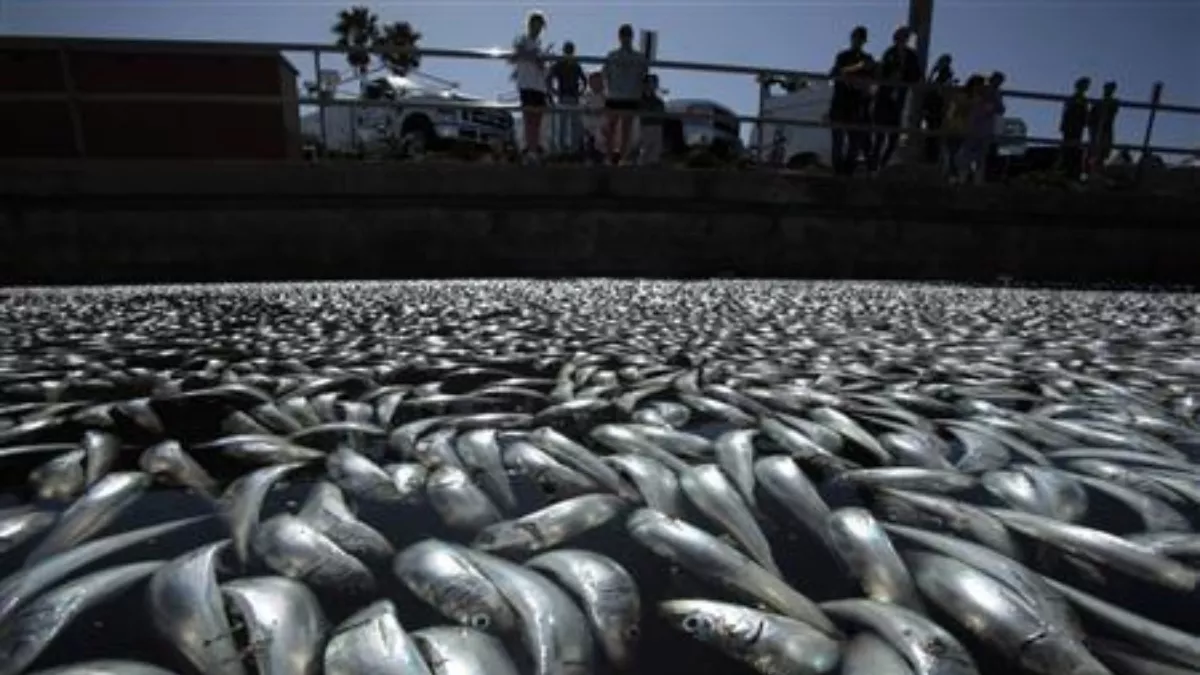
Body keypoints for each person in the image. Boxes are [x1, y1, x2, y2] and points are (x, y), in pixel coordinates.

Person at [870, 26, 921, 171]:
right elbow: (882, 72)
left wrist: (905, 78)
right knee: (879, 137)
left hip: (899, 100)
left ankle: (882, 164)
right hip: (884, 98)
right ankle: (874, 167)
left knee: (893, 138)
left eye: (905, 37)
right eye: (901, 37)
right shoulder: (889, 53)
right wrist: (889, 76)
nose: (902, 40)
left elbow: (916, 75)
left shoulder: (911, 55)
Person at [827, 26, 876, 176]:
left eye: (860, 39)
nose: (858, 41)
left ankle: (847, 174)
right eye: (856, 38)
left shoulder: (868, 59)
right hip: (840, 104)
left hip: (856, 107)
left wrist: (860, 83)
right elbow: (835, 73)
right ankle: (838, 174)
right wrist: (857, 69)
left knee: (854, 145)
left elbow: (870, 82)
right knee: (838, 142)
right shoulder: (843, 56)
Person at [602, 23, 649, 165]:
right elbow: (606, 74)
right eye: (623, 35)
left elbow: (643, 74)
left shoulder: (639, 57)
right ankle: (610, 156)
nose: (625, 38)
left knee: (626, 129)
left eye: (628, 35)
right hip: (614, 95)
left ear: (631, 37)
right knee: (611, 126)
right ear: (619, 37)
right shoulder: (612, 55)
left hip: (631, 96)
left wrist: (639, 92)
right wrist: (609, 90)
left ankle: (622, 157)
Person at [511, 10, 550, 162]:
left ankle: (534, 148)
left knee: (537, 119)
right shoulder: (521, 39)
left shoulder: (541, 45)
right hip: (526, 84)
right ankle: (530, 149)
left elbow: (541, 64)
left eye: (540, 26)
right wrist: (533, 56)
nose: (538, 28)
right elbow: (518, 54)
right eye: (535, 25)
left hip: (539, 85)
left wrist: (535, 57)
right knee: (528, 118)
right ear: (529, 25)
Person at [546, 40, 587, 158]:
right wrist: (553, 91)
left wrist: (581, 91)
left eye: (571, 50)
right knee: (562, 124)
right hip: (563, 97)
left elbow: (584, 80)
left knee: (574, 124)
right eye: (567, 50)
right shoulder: (559, 64)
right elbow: (549, 78)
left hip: (574, 97)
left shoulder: (575, 65)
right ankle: (562, 149)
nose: (569, 52)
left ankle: (574, 149)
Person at [955, 74, 996, 185]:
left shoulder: (985, 99)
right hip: (970, 131)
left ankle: (974, 181)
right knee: (965, 157)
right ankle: (964, 179)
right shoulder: (969, 97)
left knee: (977, 159)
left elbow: (992, 110)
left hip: (980, 132)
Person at [922, 54, 955, 163]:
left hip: (938, 107)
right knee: (931, 131)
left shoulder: (946, 74)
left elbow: (942, 90)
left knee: (934, 132)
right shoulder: (938, 74)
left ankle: (932, 157)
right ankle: (929, 156)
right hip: (932, 105)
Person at [1059, 77, 1091, 180]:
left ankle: (1070, 172)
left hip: (1077, 128)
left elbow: (1085, 116)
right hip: (1071, 127)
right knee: (1068, 148)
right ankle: (1066, 171)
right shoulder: (1073, 99)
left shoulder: (1083, 100)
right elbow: (1066, 113)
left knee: (1073, 148)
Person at [1087, 81, 1119, 174]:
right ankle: (1093, 172)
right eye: (1107, 89)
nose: (1108, 91)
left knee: (1103, 152)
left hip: (1106, 129)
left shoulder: (1114, 102)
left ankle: (1098, 172)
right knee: (1095, 152)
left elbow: (1113, 111)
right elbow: (1090, 119)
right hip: (1096, 130)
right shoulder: (1097, 103)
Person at [983, 71, 1007, 180]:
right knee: (987, 148)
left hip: (996, 122)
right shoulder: (988, 90)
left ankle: (992, 174)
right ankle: (986, 173)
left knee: (995, 148)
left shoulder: (998, 92)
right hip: (988, 122)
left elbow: (1000, 108)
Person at [638, 73, 666, 165]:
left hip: (656, 126)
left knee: (655, 148)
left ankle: (653, 164)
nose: (651, 85)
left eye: (653, 83)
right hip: (644, 126)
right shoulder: (640, 99)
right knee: (644, 149)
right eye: (648, 83)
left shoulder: (658, 101)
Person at [581, 71, 608, 164]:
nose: (596, 84)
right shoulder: (586, 97)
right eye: (594, 82)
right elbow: (584, 111)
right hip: (590, 130)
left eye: (598, 81)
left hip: (604, 131)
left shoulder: (607, 97)